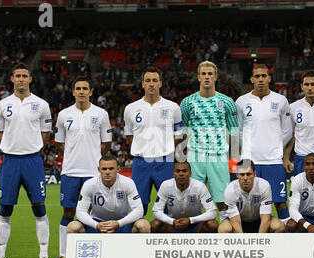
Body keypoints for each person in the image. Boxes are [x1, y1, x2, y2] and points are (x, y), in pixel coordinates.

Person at [0, 63, 52, 258]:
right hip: (10, 161)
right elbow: (0, 132)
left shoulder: (41, 104)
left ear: (30, 79)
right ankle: (0, 256)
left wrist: (31, 147)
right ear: (12, 79)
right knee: (5, 209)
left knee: (39, 207)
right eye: (18, 76)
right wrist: (13, 146)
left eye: (25, 75)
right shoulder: (2, 104)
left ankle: (44, 256)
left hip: (32, 160)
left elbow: (46, 134)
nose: (21, 79)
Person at [52, 76, 113, 258]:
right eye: (78, 88)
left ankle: (98, 253)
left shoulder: (101, 114)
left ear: (91, 92)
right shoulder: (63, 115)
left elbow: (106, 143)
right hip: (70, 171)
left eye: (85, 88)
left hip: (93, 173)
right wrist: (73, 155)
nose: (81, 92)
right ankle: (64, 254)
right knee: (68, 211)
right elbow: (59, 143)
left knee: (96, 212)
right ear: (72, 92)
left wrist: (94, 158)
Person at [235, 64, 292, 224]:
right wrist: (246, 150)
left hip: (273, 161)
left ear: (269, 78)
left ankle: (287, 239)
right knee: (245, 204)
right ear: (251, 79)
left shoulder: (280, 100)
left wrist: (275, 147)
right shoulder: (241, 101)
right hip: (249, 162)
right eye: (257, 76)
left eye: (264, 76)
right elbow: (238, 130)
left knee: (280, 203)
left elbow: (287, 131)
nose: (261, 79)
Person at [180, 61, 238, 218]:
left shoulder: (227, 102)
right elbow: (183, 131)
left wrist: (235, 156)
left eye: (210, 74)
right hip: (195, 155)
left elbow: (234, 131)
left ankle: (225, 228)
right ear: (198, 77)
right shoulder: (187, 102)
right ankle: (194, 229)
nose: (207, 77)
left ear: (216, 77)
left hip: (218, 155)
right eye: (203, 74)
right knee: (193, 200)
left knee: (223, 200)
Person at [124, 66, 182, 216]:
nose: (151, 84)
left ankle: (169, 237)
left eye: (155, 80)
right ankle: (138, 237)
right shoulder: (131, 108)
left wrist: (166, 148)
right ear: (142, 83)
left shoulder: (173, 107)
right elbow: (129, 135)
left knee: (171, 206)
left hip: (165, 162)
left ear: (160, 83)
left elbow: (179, 134)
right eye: (148, 80)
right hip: (141, 162)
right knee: (138, 208)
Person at [67, 154, 150, 234]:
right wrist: (96, 225)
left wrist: (119, 223)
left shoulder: (128, 183)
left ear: (118, 169)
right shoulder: (89, 184)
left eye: (111, 169)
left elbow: (139, 210)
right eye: (104, 169)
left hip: (122, 223)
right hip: (97, 223)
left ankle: (135, 248)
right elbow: (80, 211)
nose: (107, 172)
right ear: (99, 170)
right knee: (72, 227)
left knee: (143, 225)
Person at [151, 161, 219, 233]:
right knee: (155, 224)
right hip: (173, 224)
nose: (181, 174)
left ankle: (199, 242)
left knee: (212, 224)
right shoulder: (165, 185)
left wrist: (190, 220)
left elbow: (212, 212)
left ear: (190, 173)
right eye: (178, 171)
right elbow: (156, 211)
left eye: (184, 171)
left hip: (195, 223)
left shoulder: (199, 186)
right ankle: (169, 242)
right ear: (173, 174)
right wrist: (172, 221)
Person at [218, 159, 285, 233]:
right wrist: (244, 242)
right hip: (239, 221)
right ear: (237, 175)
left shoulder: (264, 186)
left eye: (248, 174)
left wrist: (259, 241)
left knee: (279, 226)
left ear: (254, 174)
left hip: (259, 221)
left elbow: (265, 218)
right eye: (242, 174)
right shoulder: (230, 190)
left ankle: (270, 245)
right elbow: (235, 221)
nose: (245, 178)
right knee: (223, 229)